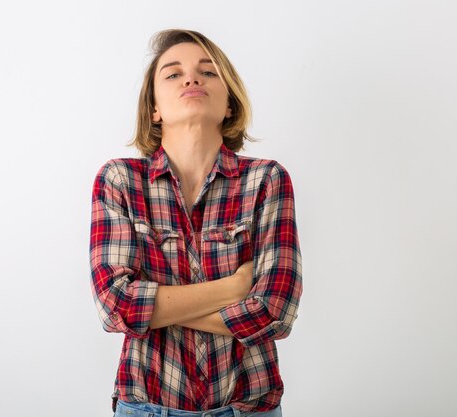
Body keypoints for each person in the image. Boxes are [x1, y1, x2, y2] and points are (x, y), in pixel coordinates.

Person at [89, 29, 303, 417]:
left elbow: (274, 311)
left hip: (249, 408)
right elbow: (115, 305)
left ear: (229, 104)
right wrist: (234, 287)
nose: (191, 79)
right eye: (173, 74)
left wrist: (155, 311)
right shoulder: (119, 180)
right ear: (153, 107)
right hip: (146, 407)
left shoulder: (267, 180)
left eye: (208, 72)